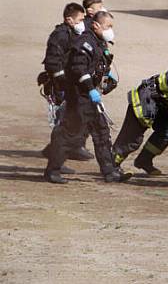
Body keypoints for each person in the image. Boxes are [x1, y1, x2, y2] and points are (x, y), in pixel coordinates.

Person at [44, 11, 129, 184]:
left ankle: (110, 172)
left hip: (89, 98)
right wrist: (91, 90)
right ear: (96, 26)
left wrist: (106, 79)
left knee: (102, 133)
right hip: (79, 97)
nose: (111, 30)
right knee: (70, 134)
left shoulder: (98, 43)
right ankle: (52, 170)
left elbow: (96, 67)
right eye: (108, 26)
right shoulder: (85, 43)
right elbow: (78, 69)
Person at [112, 68, 168, 176]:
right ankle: (111, 165)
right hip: (144, 99)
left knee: (167, 131)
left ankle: (144, 160)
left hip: (157, 102)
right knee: (132, 138)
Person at [39, 2, 92, 166]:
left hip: (70, 86)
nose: (82, 23)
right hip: (60, 86)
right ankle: (55, 160)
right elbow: (52, 62)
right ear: (69, 19)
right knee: (64, 123)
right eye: (80, 19)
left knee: (71, 120)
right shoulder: (60, 35)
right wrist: (62, 84)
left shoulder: (73, 34)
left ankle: (59, 152)